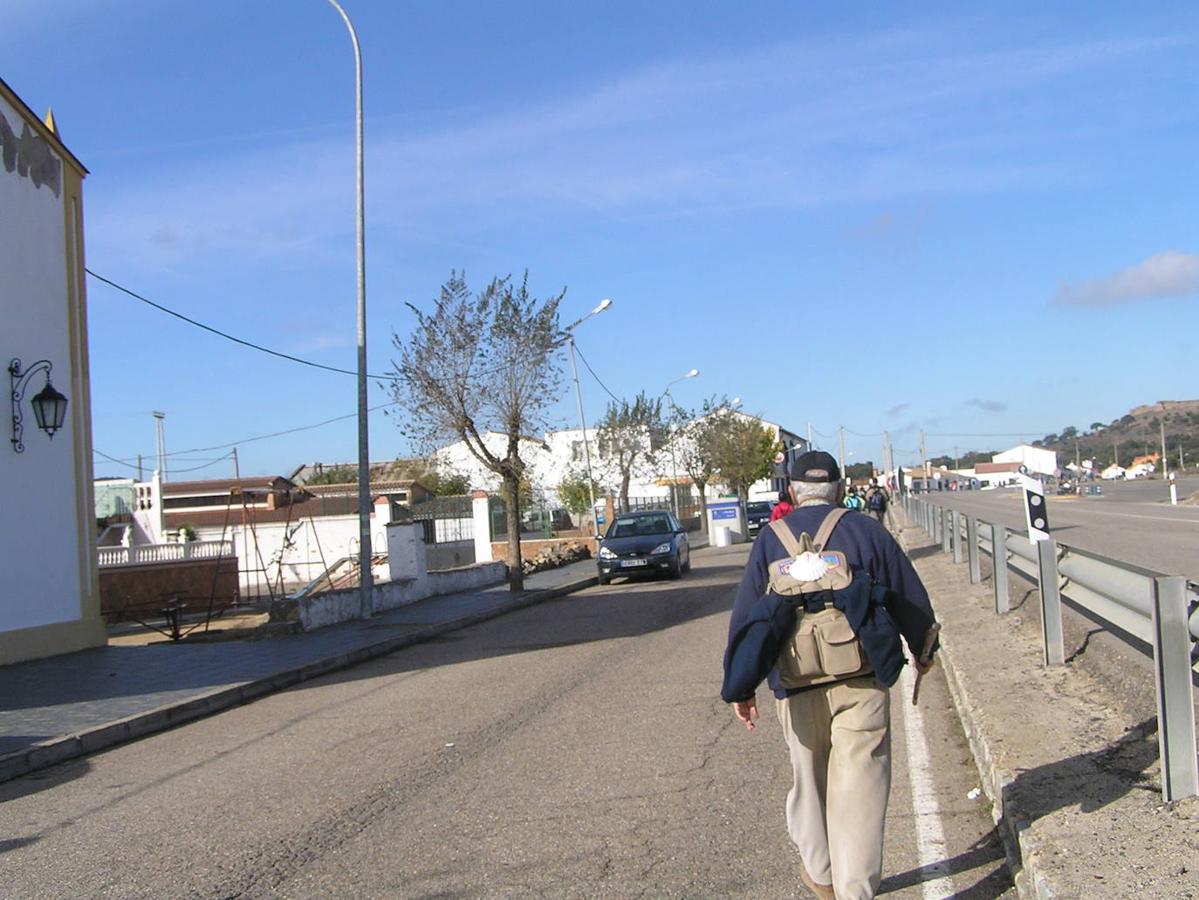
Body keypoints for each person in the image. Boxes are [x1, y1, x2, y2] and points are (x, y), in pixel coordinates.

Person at [724, 451, 937, 900]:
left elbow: (746, 618)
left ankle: (821, 877)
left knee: (809, 783)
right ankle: (854, 892)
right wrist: (923, 650)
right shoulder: (866, 530)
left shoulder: (769, 541)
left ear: (790, 492)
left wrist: (741, 688)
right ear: (839, 489)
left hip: (795, 685)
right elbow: (907, 595)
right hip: (861, 682)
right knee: (859, 791)